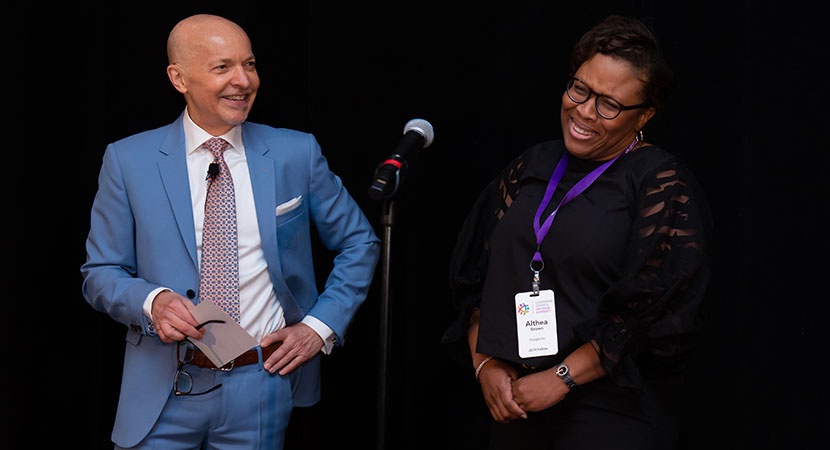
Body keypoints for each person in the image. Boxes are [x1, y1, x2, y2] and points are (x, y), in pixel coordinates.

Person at [81, 13, 381, 449]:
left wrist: (318, 326)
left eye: (251, 64)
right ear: (178, 77)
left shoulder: (296, 152)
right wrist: (151, 302)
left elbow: (359, 242)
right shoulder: (128, 160)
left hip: (261, 383)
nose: (243, 81)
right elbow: (101, 271)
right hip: (164, 385)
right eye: (222, 67)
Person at [442, 15, 713, 450]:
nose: (584, 111)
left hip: (609, 410)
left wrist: (562, 377)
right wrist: (485, 363)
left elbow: (657, 308)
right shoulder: (533, 165)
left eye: (608, 104)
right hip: (516, 404)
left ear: (644, 115)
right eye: (580, 89)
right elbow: (476, 276)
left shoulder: (659, 181)